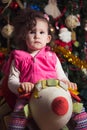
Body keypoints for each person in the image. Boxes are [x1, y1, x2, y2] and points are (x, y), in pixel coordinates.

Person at [2, 8, 77, 130]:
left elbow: (61, 75)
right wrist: (20, 86)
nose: (37, 36)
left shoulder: (52, 56)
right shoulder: (19, 58)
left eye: (41, 32)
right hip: (29, 95)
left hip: (53, 92)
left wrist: (67, 82)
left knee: (77, 107)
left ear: (47, 39)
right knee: (18, 113)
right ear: (25, 36)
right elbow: (11, 80)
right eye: (32, 32)